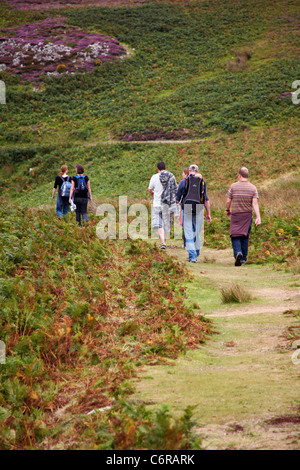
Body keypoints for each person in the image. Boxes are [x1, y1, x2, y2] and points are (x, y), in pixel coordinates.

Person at [226, 166, 261, 266]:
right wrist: (258, 217)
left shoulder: (233, 186)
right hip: (247, 215)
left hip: (236, 214)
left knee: (235, 235)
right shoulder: (253, 188)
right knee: (245, 236)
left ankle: (238, 253)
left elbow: (228, 201)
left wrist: (227, 210)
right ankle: (244, 258)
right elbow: (255, 203)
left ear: (239, 175)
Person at [177, 164, 211, 262]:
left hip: (187, 208)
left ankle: (192, 256)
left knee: (188, 232)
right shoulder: (202, 182)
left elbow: (178, 198)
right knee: (197, 232)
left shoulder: (184, 182)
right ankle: (197, 251)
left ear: (188, 171)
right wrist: (208, 214)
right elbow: (206, 199)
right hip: (199, 208)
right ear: (197, 171)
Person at [148, 161, 177, 249]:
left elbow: (150, 189)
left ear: (157, 169)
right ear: (165, 167)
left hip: (157, 203)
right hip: (167, 204)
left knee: (159, 224)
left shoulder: (154, 177)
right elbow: (174, 188)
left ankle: (163, 242)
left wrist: (153, 193)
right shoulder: (170, 176)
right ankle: (164, 240)